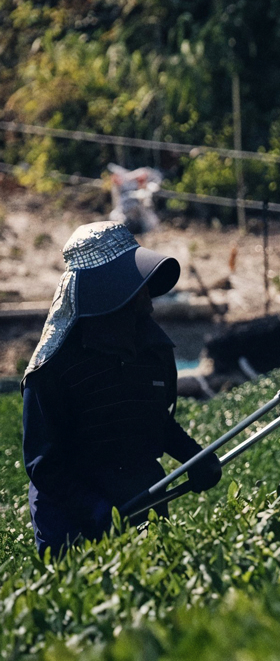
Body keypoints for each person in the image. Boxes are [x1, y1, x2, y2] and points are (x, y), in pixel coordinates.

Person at [21, 221, 222, 555]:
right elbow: (44, 466)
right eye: (137, 285)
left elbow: (153, 418)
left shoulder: (149, 350)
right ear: (107, 291)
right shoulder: (53, 370)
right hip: (71, 520)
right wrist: (95, 509)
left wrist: (195, 458)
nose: (149, 296)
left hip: (138, 494)